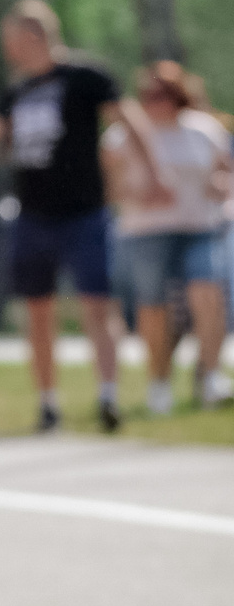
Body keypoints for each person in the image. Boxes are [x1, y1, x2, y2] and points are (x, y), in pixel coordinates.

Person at [0, 0, 130, 432]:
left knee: (96, 304)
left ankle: (108, 394)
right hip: (34, 215)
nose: (8, 49)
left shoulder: (87, 77)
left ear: (32, 34)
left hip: (85, 212)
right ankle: (48, 403)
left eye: (11, 39)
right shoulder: (16, 91)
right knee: (37, 310)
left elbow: (127, 124)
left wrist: (141, 174)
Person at [103, 62, 232, 414]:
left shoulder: (203, 130)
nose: (156, 102)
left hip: (199, 226)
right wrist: (138, 191)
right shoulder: (121, 135)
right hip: (147, 230)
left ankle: (210, 376)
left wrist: (221, 188)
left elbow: (225, 174)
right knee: (153, 305)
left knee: (208, 291)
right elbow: (108, 188)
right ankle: (159, 384)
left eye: (164, 95)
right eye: (149, 95)